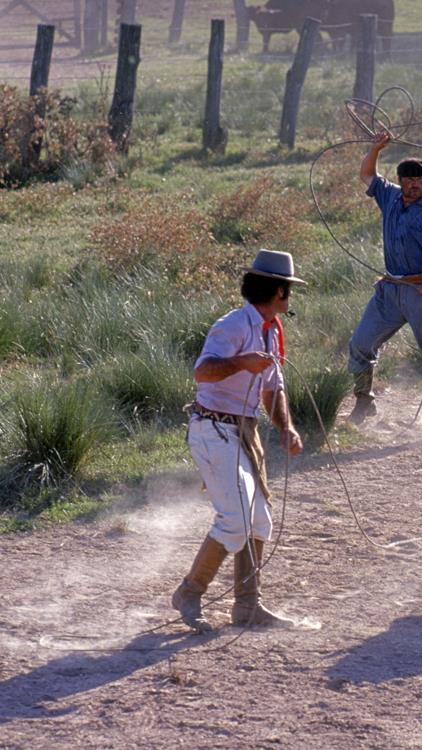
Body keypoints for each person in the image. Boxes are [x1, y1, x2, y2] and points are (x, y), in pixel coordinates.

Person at [172, 249, 305, 633]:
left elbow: (273, 389)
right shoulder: (232, 325)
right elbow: (203, 372)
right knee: (235, 521)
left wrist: (285, 426)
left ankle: (247, 607)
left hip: (243, 432)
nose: (289, 297)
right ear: (279, 291)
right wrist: (241, 363)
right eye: (289, 290)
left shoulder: (272, 330)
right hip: (213, 430)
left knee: (259, 521)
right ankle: (189, 593)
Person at [347, 131, 422, 436]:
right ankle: (364, 402)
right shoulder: (388, 196)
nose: (415, 184)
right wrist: (375, 148)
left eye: (421, 180)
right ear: (400, 181)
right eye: (410, 179)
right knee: (361, 344)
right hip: (389, 290)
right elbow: (366, 174)